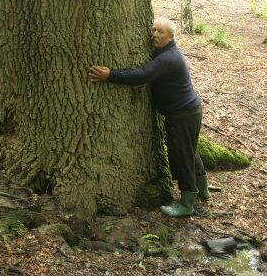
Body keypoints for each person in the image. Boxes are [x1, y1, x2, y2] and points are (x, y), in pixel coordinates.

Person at [89, 16, 210, 217]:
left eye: (160, 32)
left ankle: (187, 203)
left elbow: (141, 75)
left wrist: (110, 75)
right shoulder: (165, 52)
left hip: (183, 114)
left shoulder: (167, 58)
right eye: (153, 30)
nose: (154, 34)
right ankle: (202, 190)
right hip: (189, 111)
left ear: (171, 36)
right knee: (190, 152)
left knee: (181, 157)